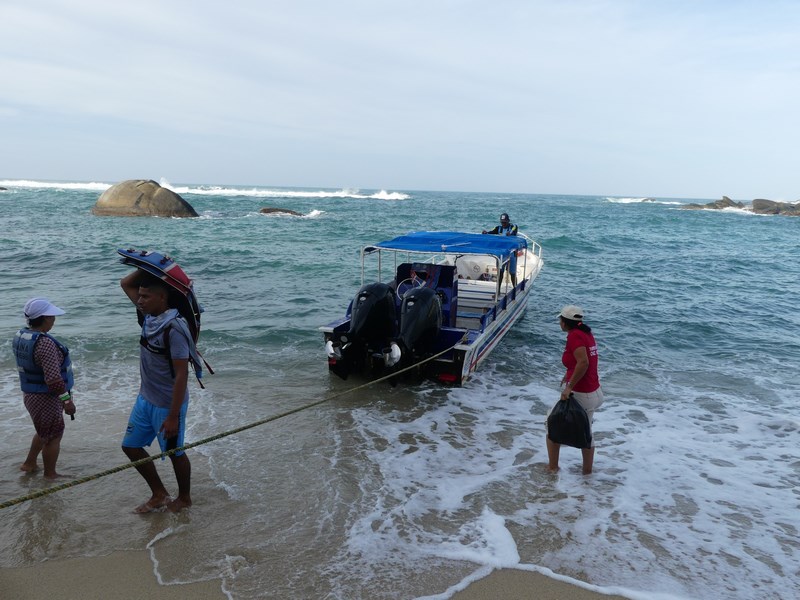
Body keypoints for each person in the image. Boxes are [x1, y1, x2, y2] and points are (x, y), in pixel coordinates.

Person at [120, 270, 202, 513]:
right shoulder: (148, 318)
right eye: (140, 296)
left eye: (146, 296)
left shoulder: (173, 329)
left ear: (162, 299)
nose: (140, 300)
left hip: (168, 403)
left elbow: (181, 375)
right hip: (146, 398)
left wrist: (172, 416)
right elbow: (126, 284)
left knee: (175, 452)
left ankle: (184, 498)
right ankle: (159, 493)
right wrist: (150, 266)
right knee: (130, 447)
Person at [13, 298, 77, 479]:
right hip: (45, 397)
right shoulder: (45, 343)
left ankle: (29, 463)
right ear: (45, 318)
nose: (54, 320)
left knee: (44, 430)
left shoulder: (21, 335)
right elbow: (54, 380)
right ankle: (50, 474)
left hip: (31, 394)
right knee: (53, 435)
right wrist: (67, 401)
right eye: (52, 316)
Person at [547, 305, 603, 475]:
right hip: (594, 391)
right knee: (586, 432)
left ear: (564, 322)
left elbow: (584, 362)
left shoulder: (575, 336)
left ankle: (553, 468)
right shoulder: (586, 333)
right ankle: (587, 473)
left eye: (560, 320)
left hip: (581, 393)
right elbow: (580, 361)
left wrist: (569, 386)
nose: (559, 323)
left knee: (552, 425)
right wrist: (569, 373)